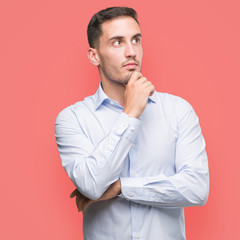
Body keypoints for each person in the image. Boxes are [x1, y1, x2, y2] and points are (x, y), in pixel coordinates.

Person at [55, 6, 209, 240]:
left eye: (136, 40)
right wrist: (130, 114)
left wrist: (121, 188)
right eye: (117, 42)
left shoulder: (178, 110)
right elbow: (92, 186)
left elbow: (197, 189)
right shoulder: (73, 119)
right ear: (94, 55)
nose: (131, 52)